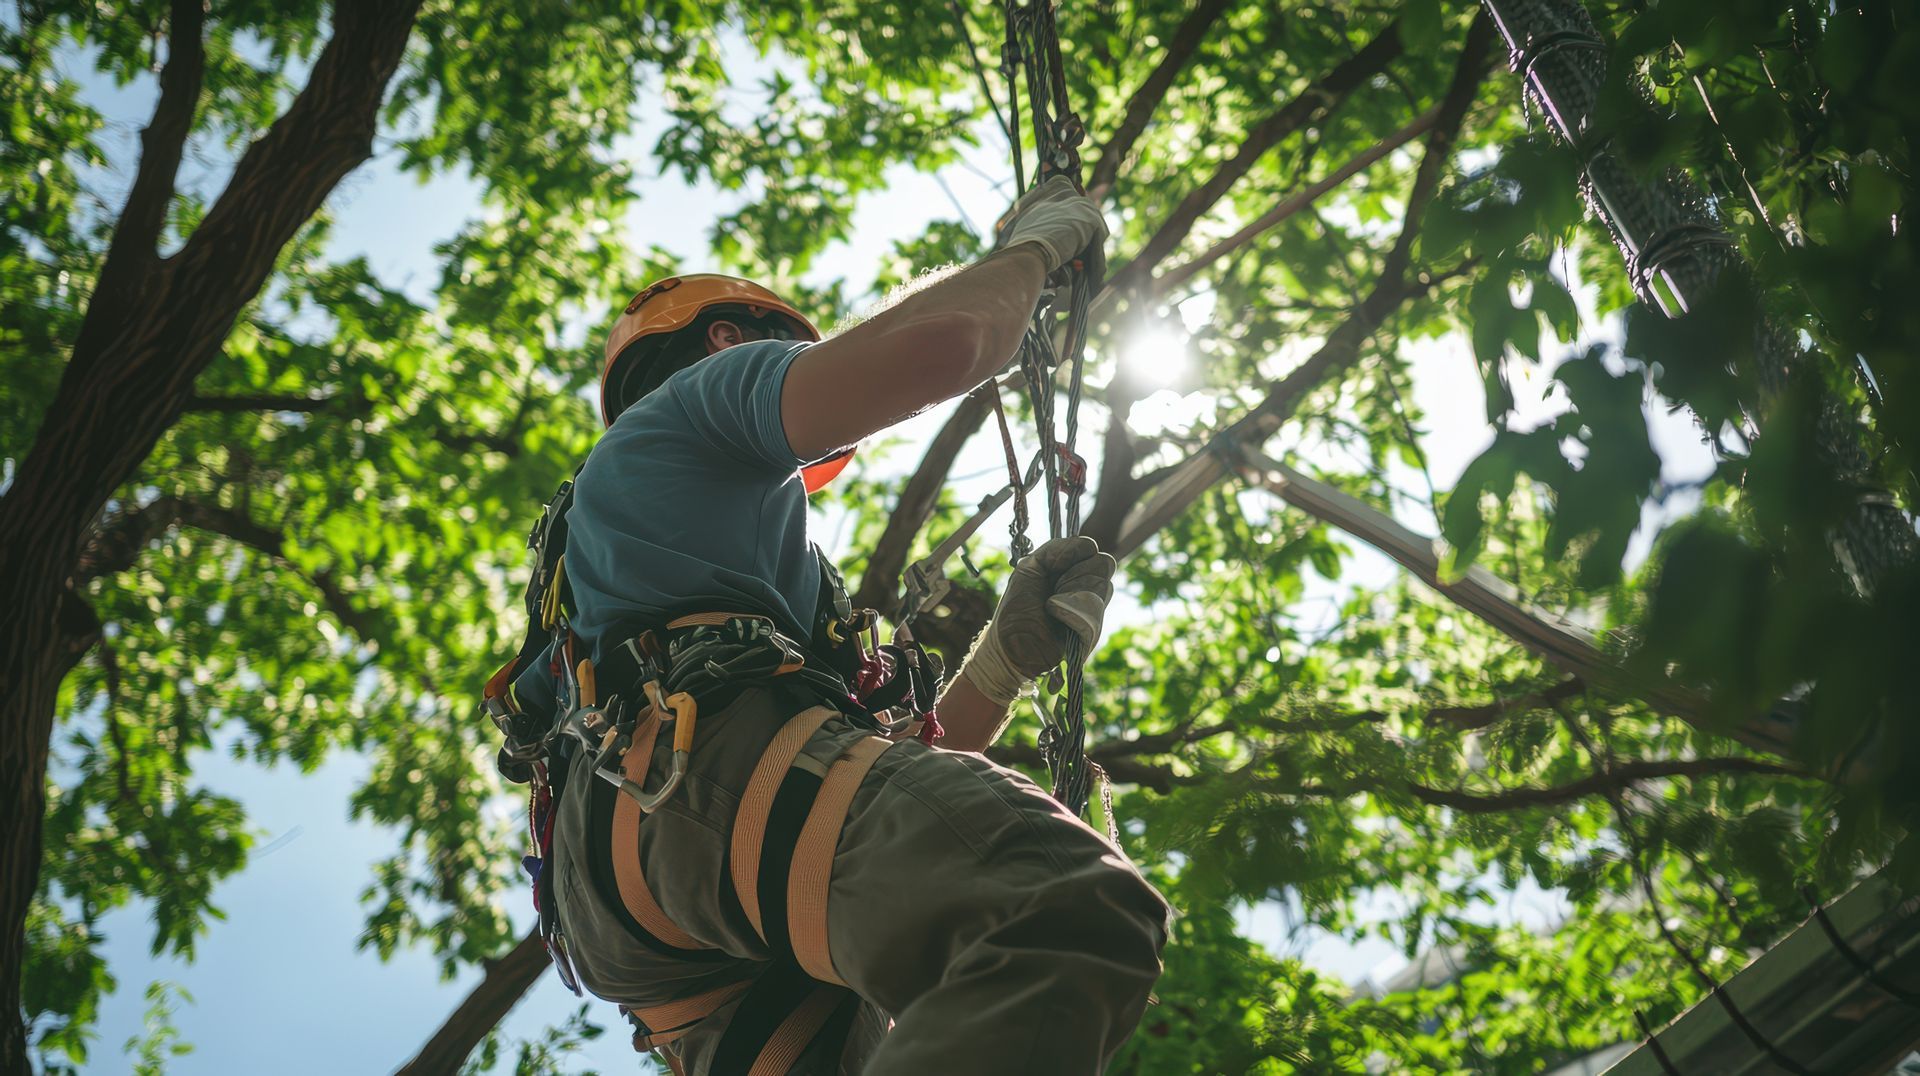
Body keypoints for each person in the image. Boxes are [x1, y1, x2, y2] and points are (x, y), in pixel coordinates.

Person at [488, 176, 1169, 1075]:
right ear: (728, 341)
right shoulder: (696, 404)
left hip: (655, 889)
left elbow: (874, 790)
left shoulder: (686, 573)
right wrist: (1032, 254)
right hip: (697, 788)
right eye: (795, 351)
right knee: (1053, 902)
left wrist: (1001, 667)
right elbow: (946, 342)